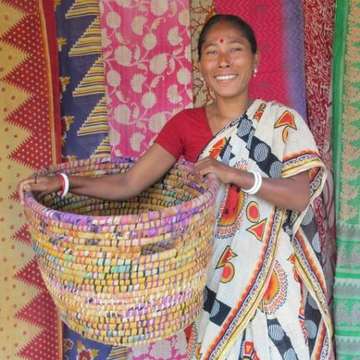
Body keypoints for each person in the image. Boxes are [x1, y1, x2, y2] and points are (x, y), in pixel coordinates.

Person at [19, 14, 333, 360]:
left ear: (255, 60)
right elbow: (129, 183)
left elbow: (299, 194)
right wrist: (65, 182)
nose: (224, 61)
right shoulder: (185, 125)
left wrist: (236, 174)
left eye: (235, 49)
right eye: (212, 51)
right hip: (214, 279)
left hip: (278, 283)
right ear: (200, 65)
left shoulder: (282, 122)